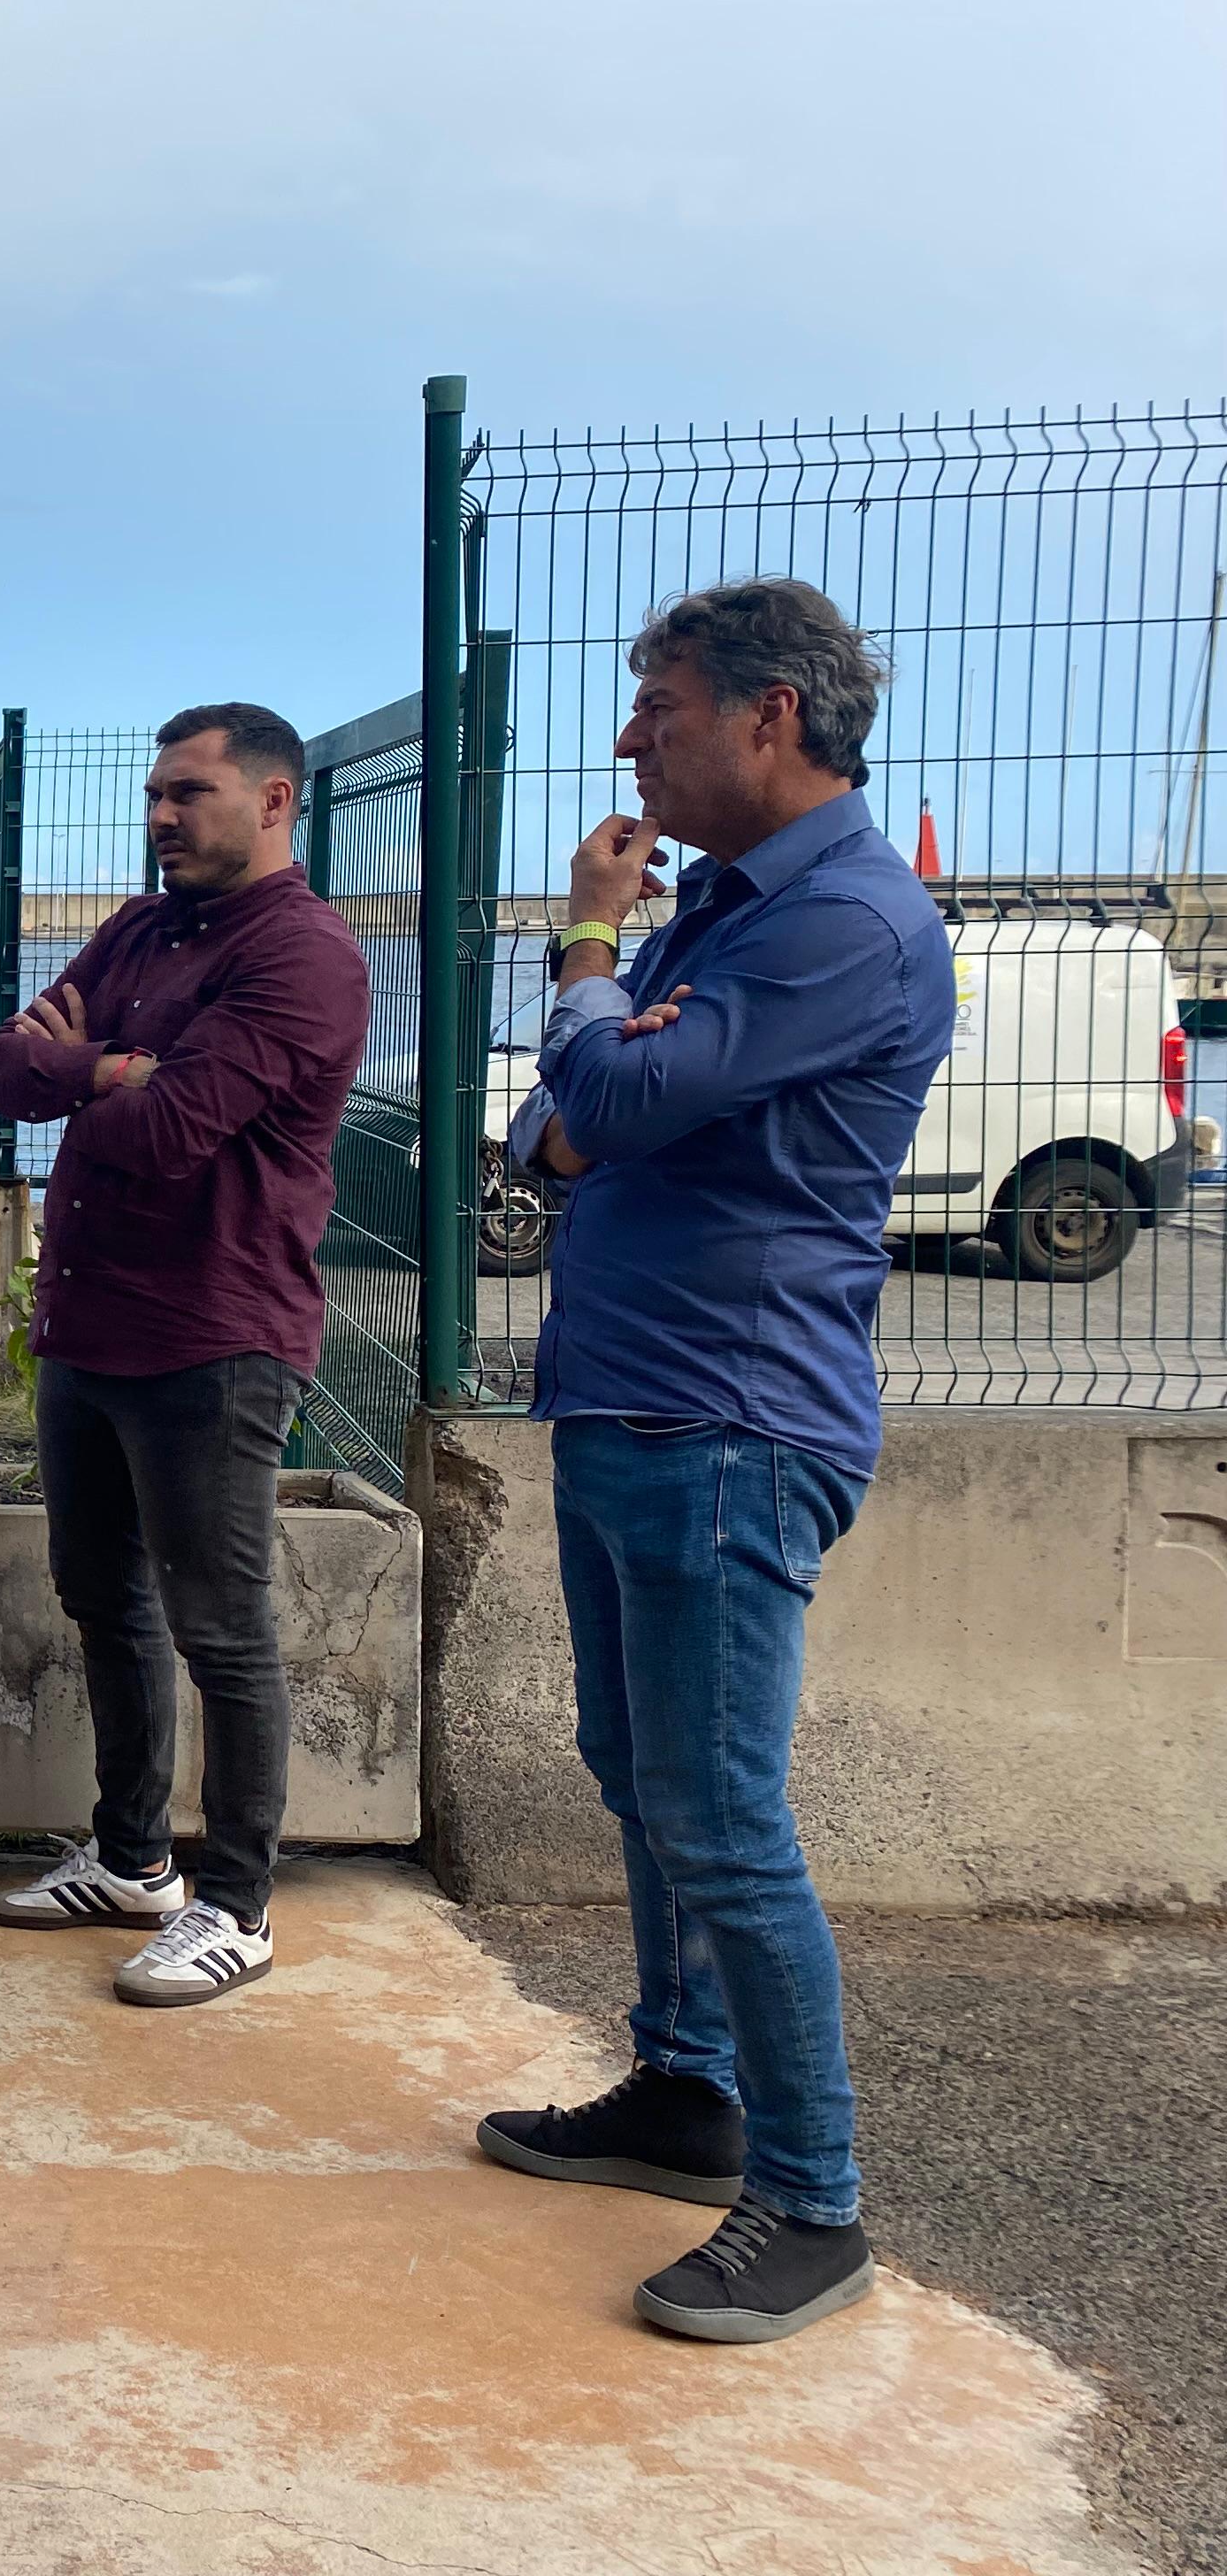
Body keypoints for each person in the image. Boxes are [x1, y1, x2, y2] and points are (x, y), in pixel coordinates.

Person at [475, 578, 950, 2347]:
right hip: (635, 1401)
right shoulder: (735, 915)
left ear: (768, 717)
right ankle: (682, 2091)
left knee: (724, 1819)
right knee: (638, 1771)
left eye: (656, 706)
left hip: (733, 1421)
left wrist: (588, 959)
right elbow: (550, 1130)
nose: (626, 742)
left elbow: (614, 1108)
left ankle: (813, 2203)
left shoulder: (845, 925)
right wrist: (606, 1059)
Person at [0, 704, 370, 2008]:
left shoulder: (304, 956)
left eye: (188, 794)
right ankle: (136, 1859)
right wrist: (105, 1067)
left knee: (222, 1627)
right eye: (155, 793)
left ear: (272, 802)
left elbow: (171, 1129)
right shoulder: (147, 929)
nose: (159, 817)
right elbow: (5, 1075)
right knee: (103, 1598)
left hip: (214, 1335)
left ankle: (239, 1905)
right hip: (88, 1325)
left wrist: (83, 1070)